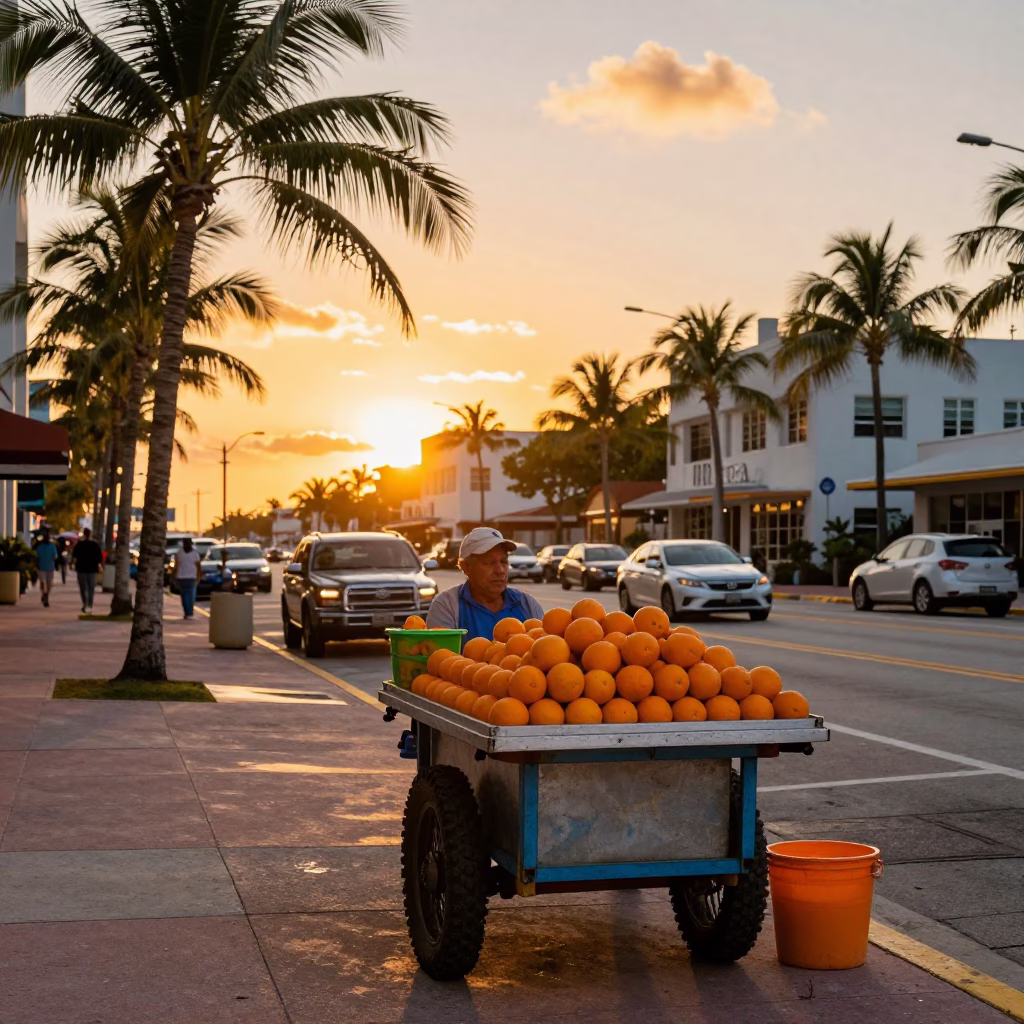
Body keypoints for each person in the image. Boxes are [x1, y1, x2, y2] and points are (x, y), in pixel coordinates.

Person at [426, 527, 544, 645]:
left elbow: (545, 650)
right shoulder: (447, 606)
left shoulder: (527, 605)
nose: (500, 570)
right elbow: (442, 659)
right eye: (489, 562)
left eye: (504, 561)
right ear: (466, 567)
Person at [71, 528, 103, 613]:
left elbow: (74, 557)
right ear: (90, 534)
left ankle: (85, 603)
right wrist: (99, 566)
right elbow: (99, 558)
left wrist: (73, 565)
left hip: (81, 569)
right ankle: (89, 604)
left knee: (83, 588)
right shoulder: (95, 545)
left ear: (84, 534)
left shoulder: (79, 544)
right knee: (91, 588)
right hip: (92, 569)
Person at [173, 537, 203, 619]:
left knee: (184, 596)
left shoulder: (179, 553)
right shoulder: (195, 554)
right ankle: (189, 612)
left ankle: (187, 612)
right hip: (191, 577)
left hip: (181, 577)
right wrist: (199, 576)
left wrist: (174, 576)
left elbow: (176, 566)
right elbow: (199, 566)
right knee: (191, 596)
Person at [33, 530, 58, 607]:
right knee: (43, 583)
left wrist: (54, 558)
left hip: (50, 568)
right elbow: (36, 557)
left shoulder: (52, 547)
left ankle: (45, 594)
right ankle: (45, 597)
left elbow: (55, 556)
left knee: (49, 585)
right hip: (41, 568)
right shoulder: (40, 547)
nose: (47, 539)